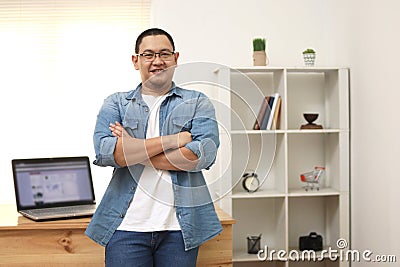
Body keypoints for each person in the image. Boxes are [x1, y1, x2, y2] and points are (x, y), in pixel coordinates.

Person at [85, 28, 222, 267]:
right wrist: (172, 141)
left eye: (164, 54)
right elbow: (108, 153)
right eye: (148, 54)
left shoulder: (196, 102)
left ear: (175, 59)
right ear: (135, 61)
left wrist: (133, 150)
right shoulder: (116, 103)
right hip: (125, 226)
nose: (157, 61)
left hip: (180, 230)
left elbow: (201, 156)